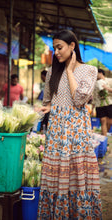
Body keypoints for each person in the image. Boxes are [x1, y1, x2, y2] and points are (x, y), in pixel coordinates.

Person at [37, 30, 102, 219]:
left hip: (77, 132)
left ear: (72, 46)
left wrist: (70, 72)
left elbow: (80, 99)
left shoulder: (89, 70)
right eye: (54, 48)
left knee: (76, 175)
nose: (56, 52)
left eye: (60, 47)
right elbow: (48, 102)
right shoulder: (51, 72)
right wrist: (42, 109)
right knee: (57, 176)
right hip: (57, 132)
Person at [92, 68, 112, 136]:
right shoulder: (94, 84)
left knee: (109, 122)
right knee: (103, 121)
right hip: (99, 105)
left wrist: (107, 88)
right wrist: (92, 108)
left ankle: (105, 134)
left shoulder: (110, 80)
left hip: (109, 103)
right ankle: (104, 139)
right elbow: (94, 97)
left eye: (96, 74)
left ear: (100, 73)